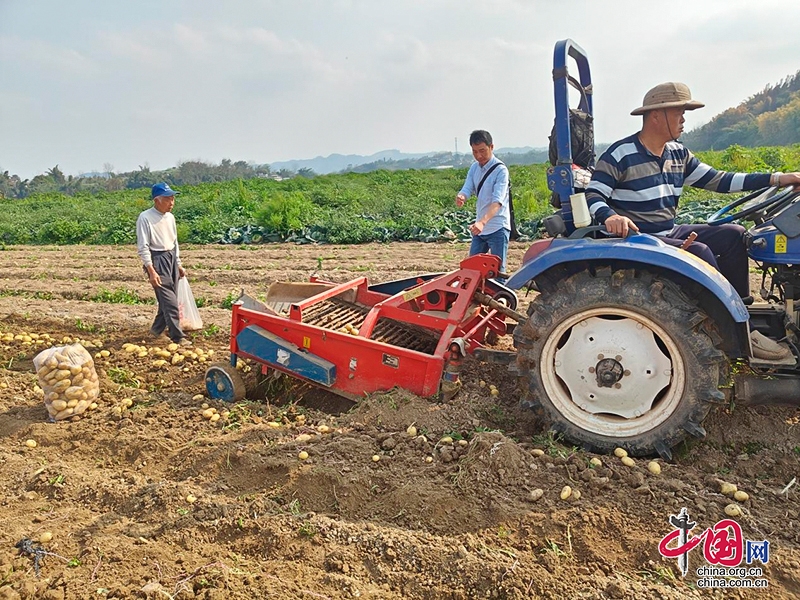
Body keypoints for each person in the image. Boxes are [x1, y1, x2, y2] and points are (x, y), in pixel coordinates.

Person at [585, 81, 800, 359]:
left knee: (734, 234)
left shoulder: (678, 153)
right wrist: (612, 216)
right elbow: (594, 195)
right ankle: (724, 329)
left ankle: (742, 315)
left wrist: (779, 179)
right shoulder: (620, 154)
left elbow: (720, 180)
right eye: (679, 113)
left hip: (667, 230)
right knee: (699, 251)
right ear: (656, 116)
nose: (684, 120)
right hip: (638, 238)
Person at [136, 182, 191, 346]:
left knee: (166, 300)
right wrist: (151, 270)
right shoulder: (145, 218)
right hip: (157, 259)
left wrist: (178, 263)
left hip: (171, 258)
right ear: (157, 200)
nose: (172, 202)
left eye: (173, 198)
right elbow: (143, 246)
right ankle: (177, 336)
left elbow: (175, 242)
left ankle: (156, 331)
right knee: (170, 302)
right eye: (168, 199)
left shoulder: (171, 218)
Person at [456, 130, 511, 278]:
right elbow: (468, 187)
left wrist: (482, 222)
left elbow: (497, 202)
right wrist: (462, 195)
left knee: (497, 271)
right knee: (472, 269)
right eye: (475, 152)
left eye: (482, 151)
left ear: (491, 147)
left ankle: (501, 300)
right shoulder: (474, 168)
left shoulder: (501, 170)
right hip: (480, 229)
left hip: (497, 227)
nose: (479, 156)